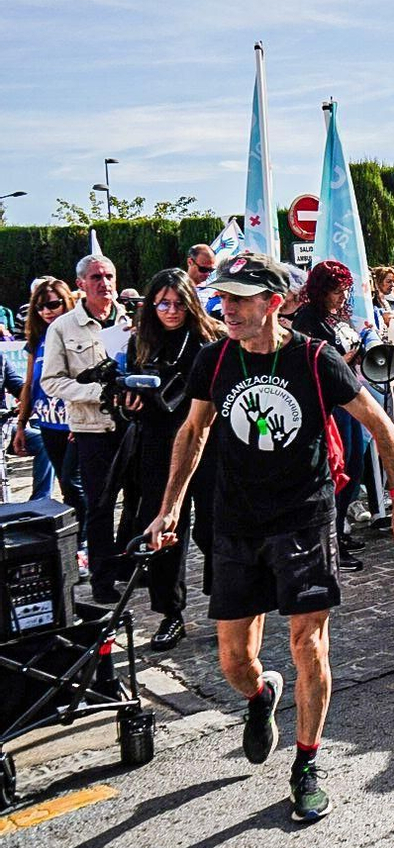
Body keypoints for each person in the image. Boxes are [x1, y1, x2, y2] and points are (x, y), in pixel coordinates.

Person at [142, 252, 394, 824]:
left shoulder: (315, 359)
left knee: (308, 644)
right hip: (236, 521)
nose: (226, 308)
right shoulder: (214, 357)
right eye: (222, 298)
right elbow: (194, 431)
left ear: (273, 302)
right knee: (233, 661)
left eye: (240, 299)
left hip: (304, 517)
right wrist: (169, 508)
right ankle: (259, 696)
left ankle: (307, 763)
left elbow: (379, 422)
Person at [120, 269, 225, 649]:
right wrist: (129, 404)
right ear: (151, 305)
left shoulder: (207, 339)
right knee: (162, 529)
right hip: (159, 444)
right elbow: (130, 396)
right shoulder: (141, 343)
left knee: (214, 527)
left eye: (179, 303)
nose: (171, 310)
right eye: (163, 303)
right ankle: (170, 613)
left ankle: (225, 605)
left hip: (207, 441)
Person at [40, 254, 133, 604]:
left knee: (137, 502)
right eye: (96, 277)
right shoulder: (63, 327)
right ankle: (102, 577)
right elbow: (51, 381)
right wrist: (97, 393)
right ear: (80, 284)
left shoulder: (129, 321)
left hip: (130, 424)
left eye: (108, 275)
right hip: (91, 428)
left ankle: (126, 564)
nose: (104, 283)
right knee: (99, 506)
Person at [292, 260, 394, 554]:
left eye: (345, 290)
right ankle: (333, 536)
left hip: (348, 396)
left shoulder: (336, 316)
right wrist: (344, 358)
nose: (341, 296)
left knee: (355, 463)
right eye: (336, 291)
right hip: (331, 404)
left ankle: (338, 530)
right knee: (340, 466)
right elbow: (315, 362)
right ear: (321, 290)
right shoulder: (308, 319)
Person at [9, 278, 88, 574]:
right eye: (40, 306)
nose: (46, 311)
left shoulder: (74, 333)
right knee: (66, 486)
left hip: (76, 423)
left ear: (66, 302)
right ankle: (78, 542)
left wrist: (79, 418)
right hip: (48, 423)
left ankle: (83, 543)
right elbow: (29, 383)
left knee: (72, 482)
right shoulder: (36, 341)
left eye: (53, 304)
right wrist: (20, 425)